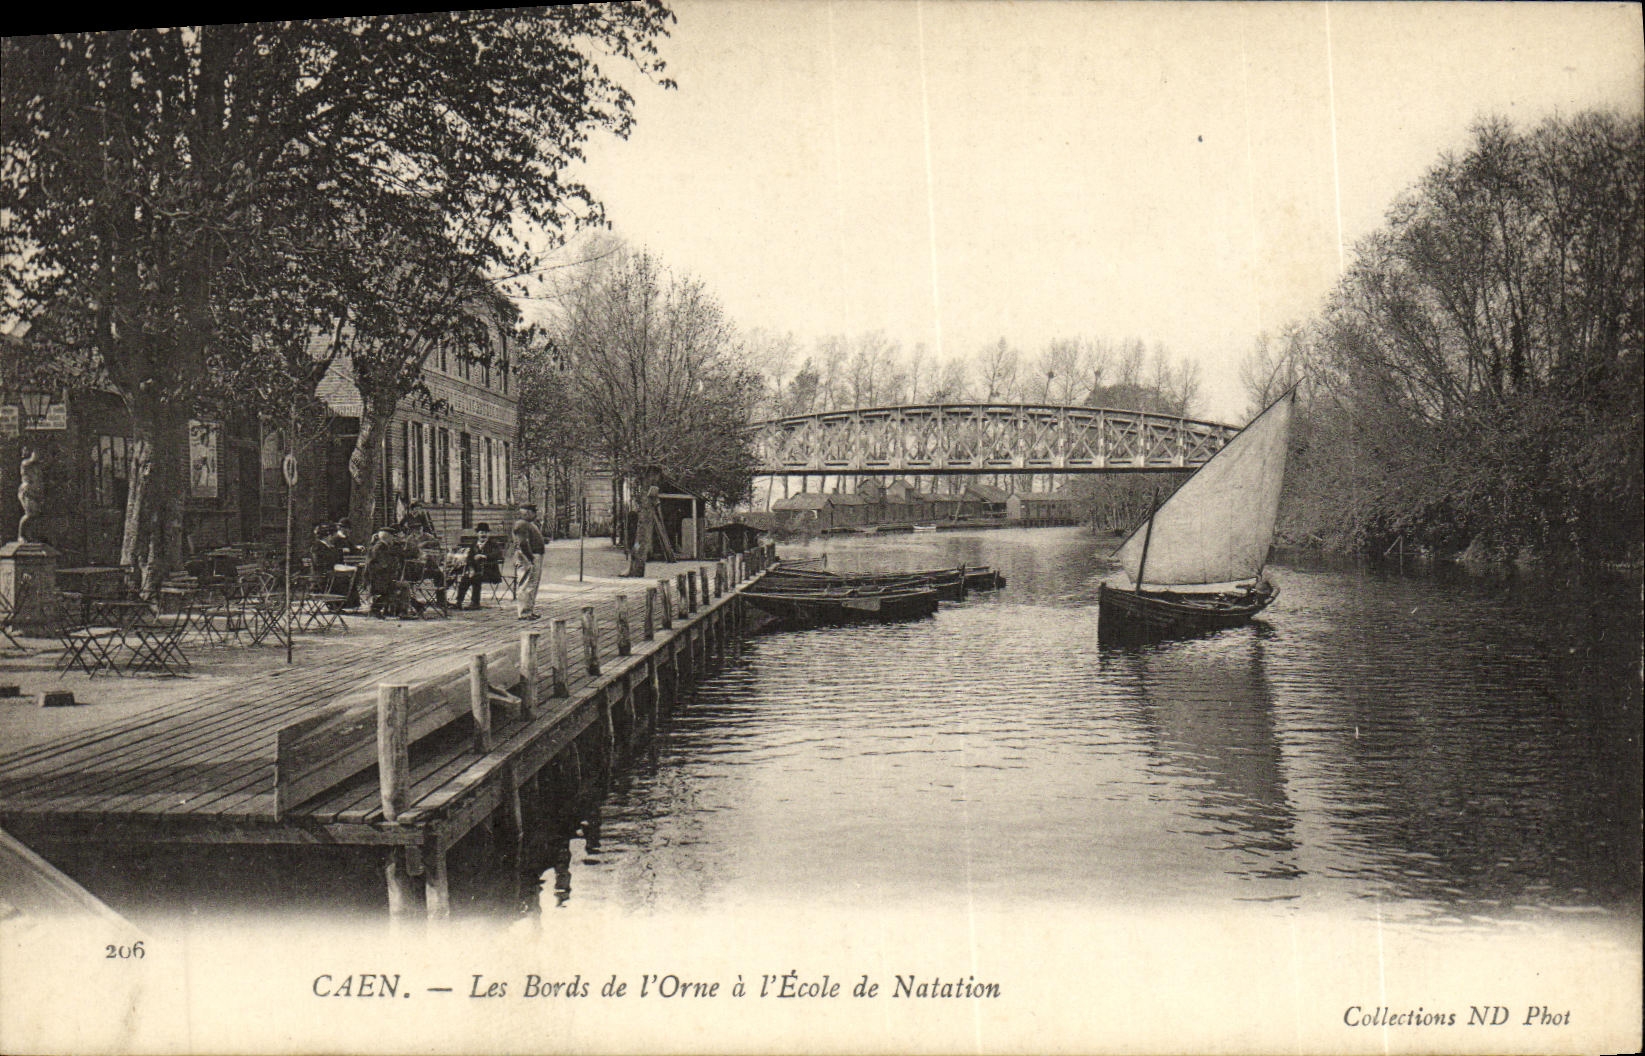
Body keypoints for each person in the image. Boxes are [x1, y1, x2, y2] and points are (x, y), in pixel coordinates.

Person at [511, 504, 545, 620]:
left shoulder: (527, 524)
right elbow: (522, 543)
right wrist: (530, 558)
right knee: (527, 584)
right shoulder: (521, 524)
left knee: (532, 584)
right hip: (527, 557)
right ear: (528, 513)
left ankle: (528, 610)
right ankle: (524, 612)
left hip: (531, 556)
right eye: (534, 512)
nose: (535, 515)